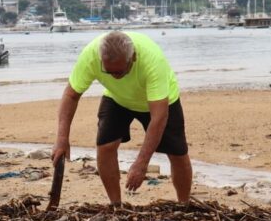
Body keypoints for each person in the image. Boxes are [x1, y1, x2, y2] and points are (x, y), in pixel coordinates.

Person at [52, 30, 192, 205]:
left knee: (177, 153)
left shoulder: (152, 61)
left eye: (119, 72)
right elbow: (71, 95)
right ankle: (116, 205)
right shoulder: (91, 56)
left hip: (161, 101)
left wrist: (141, 163)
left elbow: (158, 118)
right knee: (105, 146)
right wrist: (62, 138)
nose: (114, 76)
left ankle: (184, 204)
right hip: (117, 98)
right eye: (108, 72)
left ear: (133, 58)